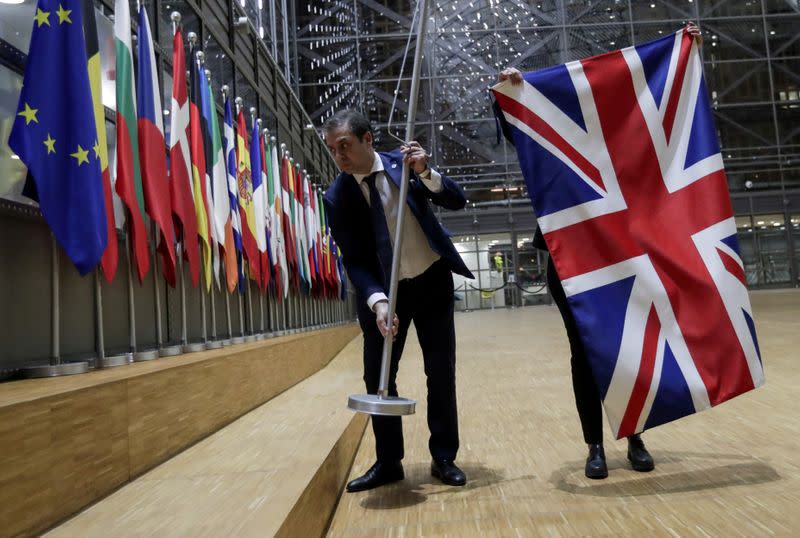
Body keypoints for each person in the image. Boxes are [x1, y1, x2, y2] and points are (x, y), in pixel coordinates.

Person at [494, 22, 703, 479]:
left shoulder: (626, 144)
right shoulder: (562, 144)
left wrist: (684, 52)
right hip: (570, 263)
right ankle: (594, 445)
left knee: (628, 345)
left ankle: (635, 435)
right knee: (585, 351)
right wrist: (510, 95)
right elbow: (527, 135)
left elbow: (660, 127)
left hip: (622, 256)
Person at [322, 110, 474, 492]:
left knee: (440, 372)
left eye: (345, 146)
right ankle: (389, 462)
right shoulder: (337, 197)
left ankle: (444, 457)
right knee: (378, 378)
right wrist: (378, 302)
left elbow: (456, 200)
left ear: (368, 139)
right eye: (332, 150)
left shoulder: (405, 165)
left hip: (432, 282)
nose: (339, 157)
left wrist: (425, 172)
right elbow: (354, 259)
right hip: (385, 298)